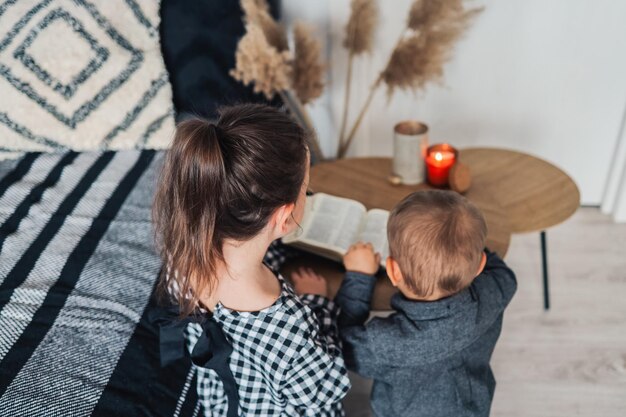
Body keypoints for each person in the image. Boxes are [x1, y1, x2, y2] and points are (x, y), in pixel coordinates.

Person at [152, 103, 350, 416]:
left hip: (223, 400)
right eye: (306, 189)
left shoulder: (183, 255)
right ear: (284, 217)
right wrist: (320, 302)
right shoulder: (290, 325)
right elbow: (323, 397)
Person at [330, 190, 516, 417]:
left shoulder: (385, 343)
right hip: (473, 407)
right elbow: (503, 273)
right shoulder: (493, 290)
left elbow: (341, 345)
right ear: (480, 266)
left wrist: (359, 277)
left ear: (393, 271)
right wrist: (466, 251)